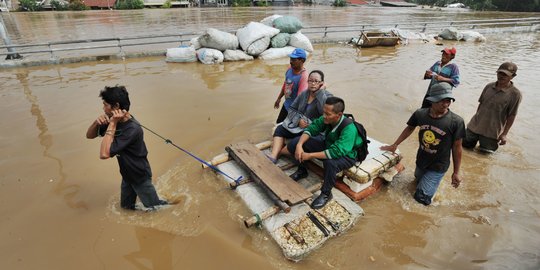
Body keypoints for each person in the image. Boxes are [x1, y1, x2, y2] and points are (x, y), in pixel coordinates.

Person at [380, 83, 465, 206]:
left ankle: (430, 195)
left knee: (420, 199)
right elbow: (409, 128)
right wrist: (395, 144)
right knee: (417, 180)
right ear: (432, 100)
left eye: (448, 100)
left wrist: (456, 172)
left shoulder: (456, 122)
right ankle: (430, 186)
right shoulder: (420, 114)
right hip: (422, 159)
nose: (445, 104)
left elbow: (457, 147)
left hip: (438, 165)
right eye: (442, 100)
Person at [86, 85, 167, 211]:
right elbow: (89, 136)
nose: (103, 108)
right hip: (126, 175)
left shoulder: (132, 129)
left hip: (139, 176)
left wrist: (112, 123)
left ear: (116, 106)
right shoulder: (113, 120)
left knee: (156, 209)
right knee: (126, 208)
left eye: (105, 105)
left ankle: (174, 204)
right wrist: (96, 123)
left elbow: (104, 154)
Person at [282, 97, 364, 209]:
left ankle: (326, 193)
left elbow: (336, 152)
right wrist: (299, 145)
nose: (324, 116)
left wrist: (310, 155)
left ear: (339, 115)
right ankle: (302, 170)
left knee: (330, 163)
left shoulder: (349, 129)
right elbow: (311, 129)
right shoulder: (326, 118)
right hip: (329, 145)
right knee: (294, 143)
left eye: (328, 114)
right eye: (324, 112)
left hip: (346, 155)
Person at [267, 70, 332, 164]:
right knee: (280, 129)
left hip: (312, 130)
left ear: (321, 83)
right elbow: (292, 109)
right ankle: (273, 156)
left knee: (296, 143)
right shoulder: (304, 94)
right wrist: (298, 120)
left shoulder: (328, 97)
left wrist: (321, 92)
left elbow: (325, 113)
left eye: (316, 81)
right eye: (310, 81)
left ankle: (279, 153)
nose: (313, 84)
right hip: (298, 126)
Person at [463, 62, 522, 153]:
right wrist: (477, 119)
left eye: (505, 74)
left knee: (484, 158)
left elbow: (512, 115)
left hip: (491, 133)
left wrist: (504, 134)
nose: (501, 76)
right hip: (473, 127)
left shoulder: (515, 94)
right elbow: (480, 104)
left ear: (513, 76)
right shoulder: (489, 86)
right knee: (464, 149)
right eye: (500, 73)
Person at [274, 48, 309, 123]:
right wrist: (279, 98)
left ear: (302, 61)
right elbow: (285, 84)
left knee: (287, 130)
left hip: (294, 110)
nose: (290, 62)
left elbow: (300, 99)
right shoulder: (289, 69)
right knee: (278, 124)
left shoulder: (303, 77)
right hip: (286, 105)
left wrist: (298, 117)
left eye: (294, 60)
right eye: (290, 59)